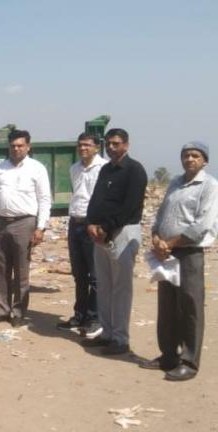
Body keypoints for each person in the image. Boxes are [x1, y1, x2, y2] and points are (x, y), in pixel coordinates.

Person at [141, 141, 218, 381]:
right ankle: (168, 356)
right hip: (166, 254)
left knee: (190, 307)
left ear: (204, 160)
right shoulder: (175, 183)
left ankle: (189, 361)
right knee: (167, 307)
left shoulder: (209, 186)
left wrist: (170, 243)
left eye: (195, 155)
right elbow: (161, 215)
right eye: (186, 155)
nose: (190, 159)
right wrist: (156, 238)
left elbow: (201, 224)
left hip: (188, 253)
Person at [83, 128, 147, 355]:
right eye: (108, 144)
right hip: (100, 234)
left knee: (121, 289)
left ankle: (120, 339)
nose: (111, 147)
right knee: (104, 286)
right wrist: (91, 223)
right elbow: (95, 200)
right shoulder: (106, 170)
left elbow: (129, 206)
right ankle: (107, 333)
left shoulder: (134, 170)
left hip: (122, 232)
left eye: (116, 143)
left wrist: (106, 227)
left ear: (126, 145)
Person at [0, 130, 51, 327]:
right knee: (0, 270)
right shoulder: (1, 168)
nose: (16, 149)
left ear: (28, 147)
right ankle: (3, 309)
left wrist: (41, 228)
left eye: (20, 145)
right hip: (0, 223)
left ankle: (18, 312)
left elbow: (44, 199)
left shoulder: (37, 169)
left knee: (21, 270)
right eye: (13, 145)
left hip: (24, 222)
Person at [57, 132, 108, 338]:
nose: (83, 148)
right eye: (80, 145)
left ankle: (95, 318)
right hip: (75, 223)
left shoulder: (103, 168)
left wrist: (99, 225)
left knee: (95, 276)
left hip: (92, 225)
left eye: (87, 145)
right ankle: (79, 315)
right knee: (79, 274)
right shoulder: (74, 168)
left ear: (96, 147)